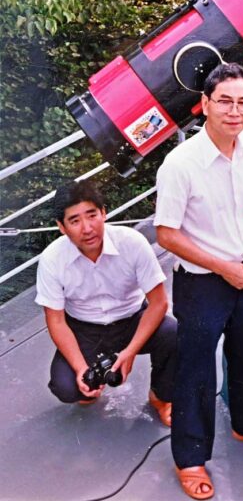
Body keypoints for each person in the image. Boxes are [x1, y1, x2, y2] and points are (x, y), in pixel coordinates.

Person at [155, 62, 243, 501]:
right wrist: (222, 267)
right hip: (202, 283)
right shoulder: (181, 164)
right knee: (197, 368)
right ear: (205, 105)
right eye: (225, 101)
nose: (235, 111)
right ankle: (190, 458)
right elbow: (167, 234)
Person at [35, 180, 176, 426]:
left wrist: (129, 352)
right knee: (66, 388)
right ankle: (88, 383)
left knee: (173, 333)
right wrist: (81, 369)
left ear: (104, 212)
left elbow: (158, 303)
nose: (87, 228)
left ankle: (161, 397)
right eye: (75, 220)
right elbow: (56, 320)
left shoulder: (132, 243)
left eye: (92, 215)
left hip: (132, 318)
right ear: (62, 227)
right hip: (84, 327)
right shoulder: (52, 259)